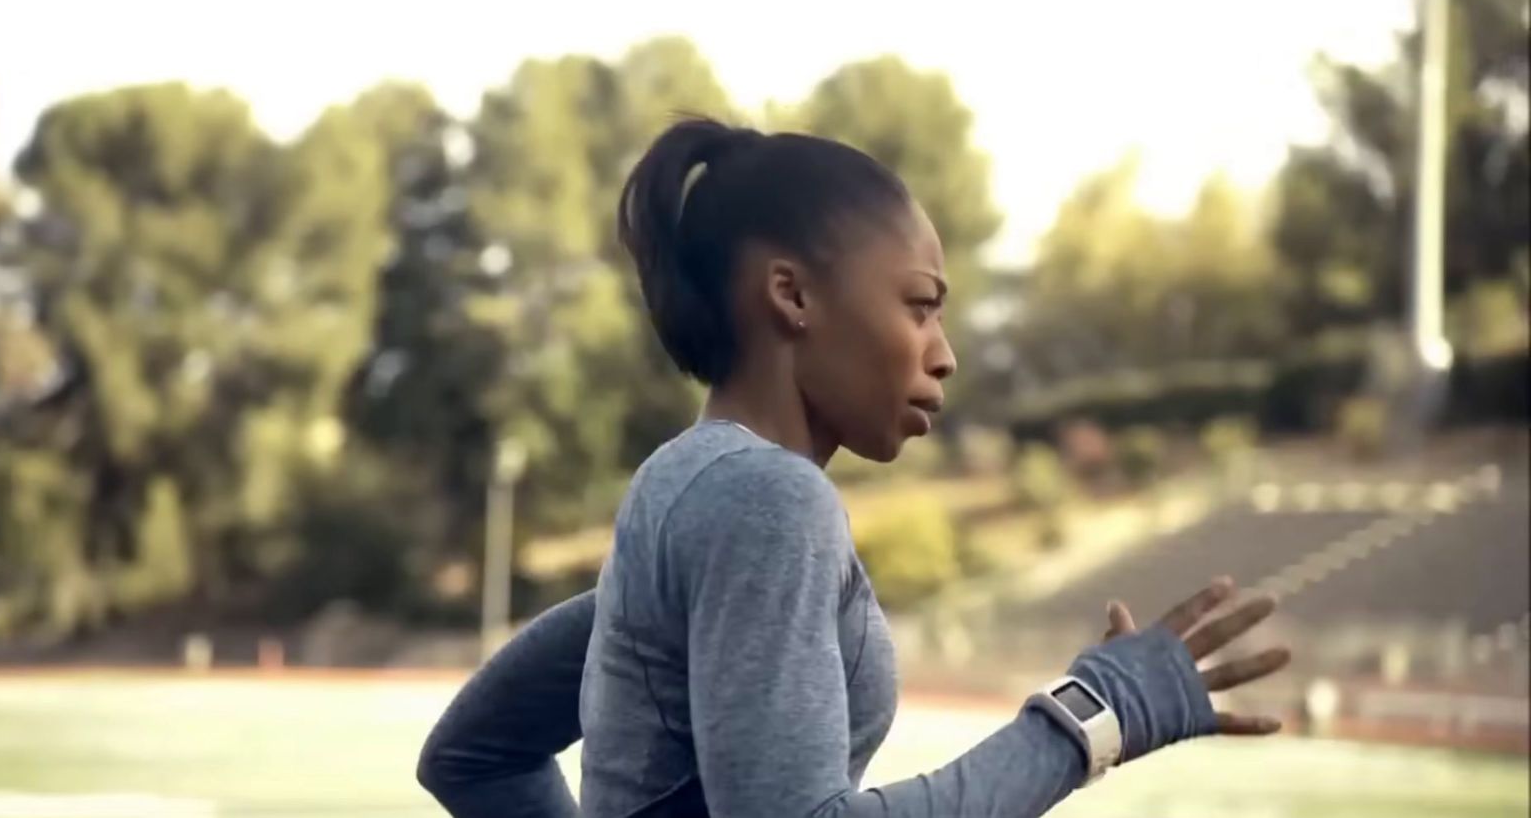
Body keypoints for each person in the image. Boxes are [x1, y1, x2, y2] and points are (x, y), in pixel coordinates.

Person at [418, 118, 1291, 818]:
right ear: (792, 295)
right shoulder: (767, 496)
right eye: (919, 305)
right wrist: (1093, 716)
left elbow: (474, 755)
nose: (943, 355)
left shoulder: (683, 489)